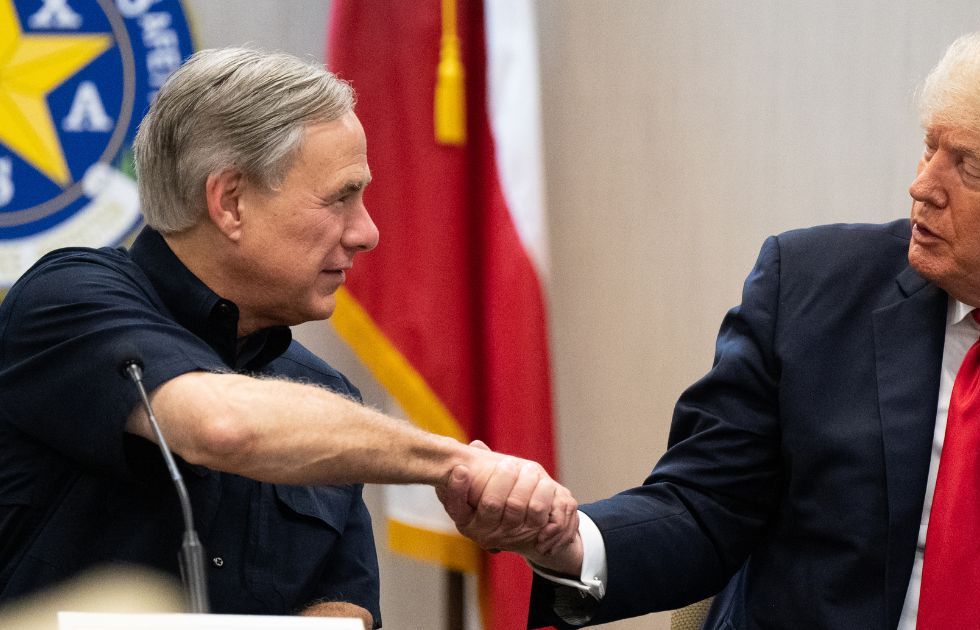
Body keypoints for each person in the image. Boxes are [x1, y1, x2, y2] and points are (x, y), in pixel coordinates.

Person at [440, 27, 980, 630]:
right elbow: (704, 509)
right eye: (929, 144)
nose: (922, 185)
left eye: (967, 166)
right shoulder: (808, 290)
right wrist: (570, 542)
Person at [0, 48, 576, 629]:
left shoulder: (323, 398)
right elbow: (222, 425)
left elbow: (346, 606)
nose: (368, 233)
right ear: (229, 202)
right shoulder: (68, 296)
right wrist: (457, 466)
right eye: (340, 198)